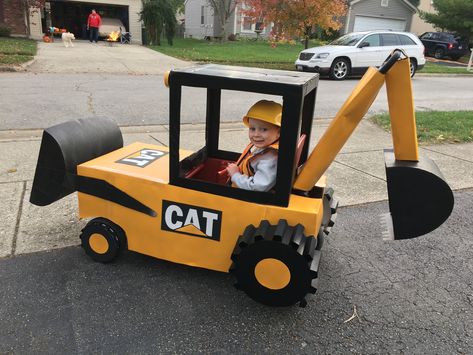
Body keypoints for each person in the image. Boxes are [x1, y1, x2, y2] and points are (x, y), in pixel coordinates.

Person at [225, 100, 281, 192]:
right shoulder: (266, 148)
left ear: (279, 132)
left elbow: (257, 187)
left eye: (264, 129)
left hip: (248, 198)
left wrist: (235, 175)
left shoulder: (270, 160)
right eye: (252, 129)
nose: (256, 134)